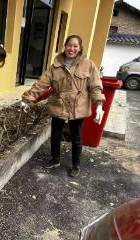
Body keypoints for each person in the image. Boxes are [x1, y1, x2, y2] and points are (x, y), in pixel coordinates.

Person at [21, 35, 105, 177]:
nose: (71, 49)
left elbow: (95, 86)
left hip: (79, 106)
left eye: (75, 46)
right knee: (55, 133)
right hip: (58, 104)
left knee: (76, 137)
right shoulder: (55, 66)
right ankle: (55, 159)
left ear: (80, 48)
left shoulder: (88, 65)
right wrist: (27, 98)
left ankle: (76, 165)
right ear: (64, 46)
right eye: (69, 45)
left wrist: (99, 105)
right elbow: (41, 84)